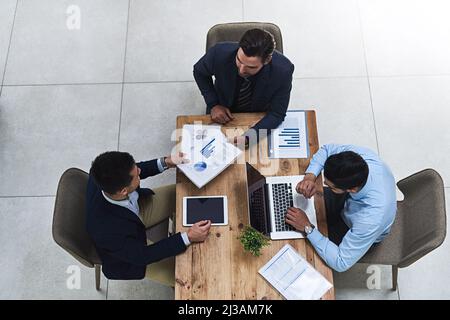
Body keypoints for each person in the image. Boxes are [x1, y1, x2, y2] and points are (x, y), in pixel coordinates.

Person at [86, 151, 211, 286]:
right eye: (137, 175)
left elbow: (133, 170)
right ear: (123, 191)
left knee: (185, 190)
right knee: (190, 276)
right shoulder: (107, 232)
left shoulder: (102, 170)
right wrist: (188, 237)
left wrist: (166, 162)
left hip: (137, 210)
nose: (140, 170)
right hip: (133, 254)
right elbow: (143, 255)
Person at [285, 144, 397, 272]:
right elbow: (327, 150)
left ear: (352, 189)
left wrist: (307, 227)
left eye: (331, 187)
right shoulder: (363, 158)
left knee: (298, 248)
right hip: (348, 204)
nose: (323, 185)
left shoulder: (370, 220)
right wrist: (310, 177)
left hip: (354, 228)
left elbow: (341, 262)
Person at [193, 28, 294, 143]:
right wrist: (213, 104)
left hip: (259, 115)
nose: (241, 70)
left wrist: (249, 138)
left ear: (267, 60)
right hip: (222, 106)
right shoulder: (219, 53)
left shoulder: (283, 71)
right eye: (239, 60)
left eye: (251, 67)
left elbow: (277, 113)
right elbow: (199, 72)